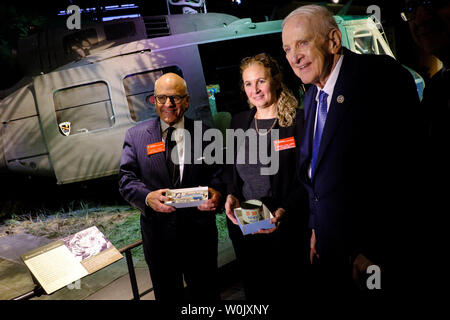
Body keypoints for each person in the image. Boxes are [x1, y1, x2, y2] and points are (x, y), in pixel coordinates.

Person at [282, 5, 422, 294]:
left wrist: (375, 250)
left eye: (302, 43)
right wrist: (315, 228)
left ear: (333, 40)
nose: (293, 57)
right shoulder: (311, 97)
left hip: (373, 257)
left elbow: (406, 174)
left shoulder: (381, 78)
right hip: (330, 250)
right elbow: (313, 173)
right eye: (286, 49)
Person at [118, 72, 223, 301]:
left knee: (207, 296)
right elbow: (126, 180)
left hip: (200, 239)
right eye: (161, 98)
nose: (168, 104)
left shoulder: (206, 134)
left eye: (175, 98)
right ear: (153, 101)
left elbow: (217, 176)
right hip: (159, 241)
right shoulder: (136, 136)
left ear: (186, 101)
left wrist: (216, 193)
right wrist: (147, 198)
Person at [223, 53, 308, 300]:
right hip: (246, 227)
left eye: (261, 81)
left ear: (277, 80)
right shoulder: (238, 122)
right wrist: (229, 193)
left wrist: (286, 210)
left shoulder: (298, 122)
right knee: (257, 292)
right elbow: (231, 169)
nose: (255, 90)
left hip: (285, 228)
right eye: (248, 83)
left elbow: (309, 177)